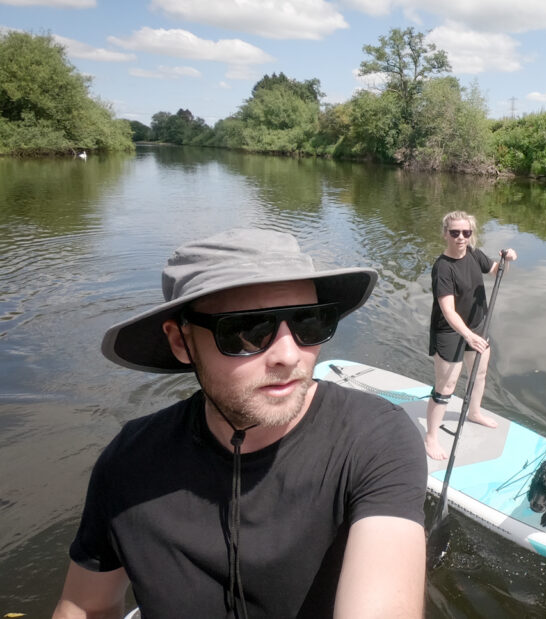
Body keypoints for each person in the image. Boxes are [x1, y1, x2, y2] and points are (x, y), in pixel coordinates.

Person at [52, 228, 427, 619]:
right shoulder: (128, 463)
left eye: (310, 323)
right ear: (181, 342)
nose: (288, 354)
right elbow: (84, 606)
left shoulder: (374, 441)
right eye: (249, 330)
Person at [424, 211, 517, 461]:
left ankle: (474, 412)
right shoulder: (442, 268)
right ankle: (431, 437)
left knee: (480, 373)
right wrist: (467, 335)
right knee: (446, 387)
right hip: (450, 331)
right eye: (455, 233)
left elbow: (497, 271)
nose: (461, 237)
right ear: (445, 234)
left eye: (466, 232)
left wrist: (507, 259)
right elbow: (447, 310)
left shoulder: (474, 254)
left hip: (477, 326)